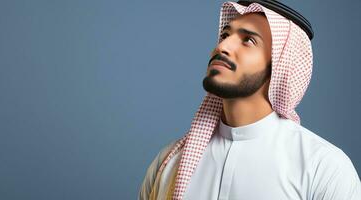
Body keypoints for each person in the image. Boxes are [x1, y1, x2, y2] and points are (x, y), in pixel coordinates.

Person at [138, 1, 361, 200]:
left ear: (281, 67)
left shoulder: (323, 167)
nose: (222, 47)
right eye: (225, 36)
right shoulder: (168, 162)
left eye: (248, 40)